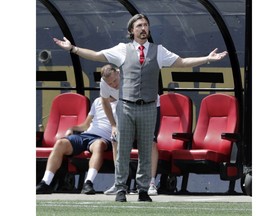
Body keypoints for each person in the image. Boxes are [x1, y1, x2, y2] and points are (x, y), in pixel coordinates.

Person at [53, 13, 228, 202]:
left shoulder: (158, 50)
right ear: (131, 31)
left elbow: (182, 63)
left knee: (146, 149)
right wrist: (72, 48)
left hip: (149, 107)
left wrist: (208, 59)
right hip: (126, 106)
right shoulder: (122, 49)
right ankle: (121, 188)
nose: (143, 28)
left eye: (146, 25)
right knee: (122, 148)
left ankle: (143, 189)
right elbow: (96, 55)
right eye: (139, 26)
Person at [36, 96, 117, 195]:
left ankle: (88, 183)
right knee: (60, 143)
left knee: (98, 145)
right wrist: (71, 128)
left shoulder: (122, 103)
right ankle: (45, 183)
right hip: (86, 135)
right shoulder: (97, 101)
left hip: (103, 138)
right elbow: (86, 125)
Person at [99, 64, 159, 196]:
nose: (113, 85)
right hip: (126, 107)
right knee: (116, 140)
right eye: (110, 83)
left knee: (150, 142)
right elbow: (105, 102)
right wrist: (113, 125)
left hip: (148, 105)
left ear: (118, 73)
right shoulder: (104, 83)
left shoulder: (132, 76)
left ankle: (151, 183)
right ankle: (119, 183)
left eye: (115, 81)